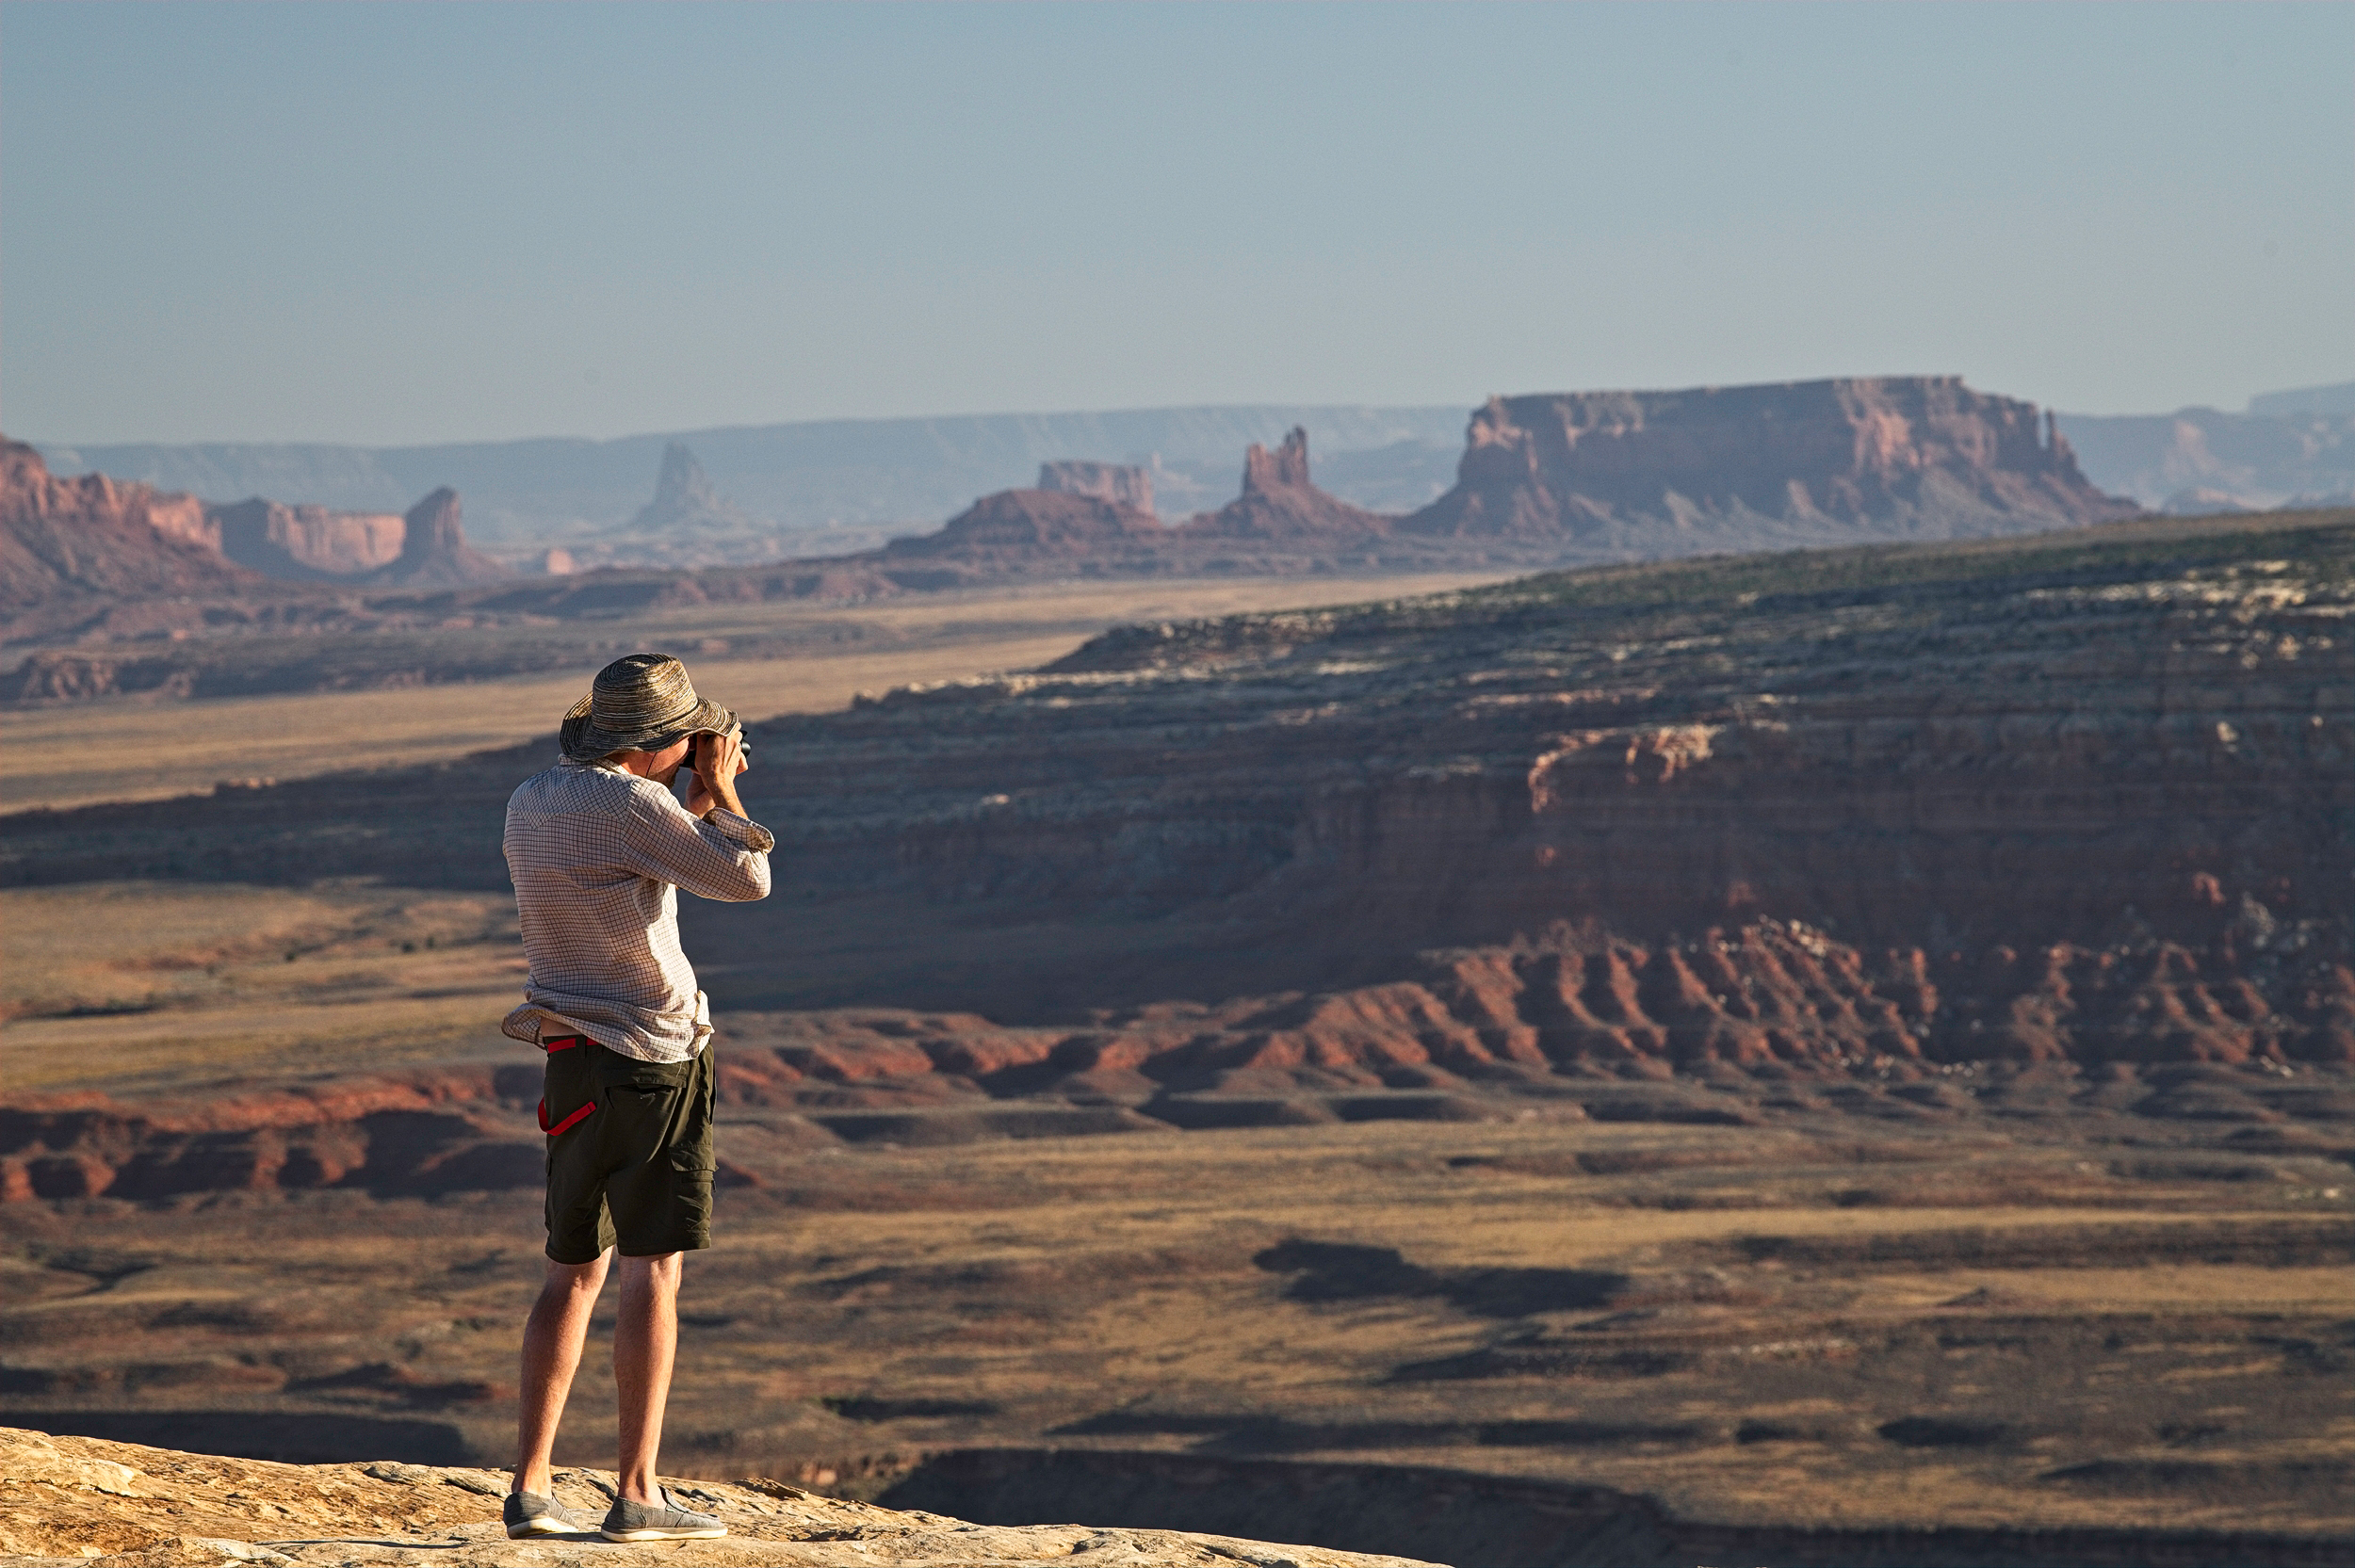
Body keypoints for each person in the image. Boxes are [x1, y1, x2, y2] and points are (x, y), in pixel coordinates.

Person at [495, 653, 773, 1543]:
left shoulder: (533, 797)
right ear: (660, 742)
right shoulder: (638, 806)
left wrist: (681, 799)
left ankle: (531, 1487)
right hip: (653, 1060)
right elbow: (746, 880)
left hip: (570, 1059)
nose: (700, 747)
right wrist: (724, 793)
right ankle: (638, 1492)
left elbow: (628, 850)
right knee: (654, 1266)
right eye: (689, 738)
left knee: (569, 1271)